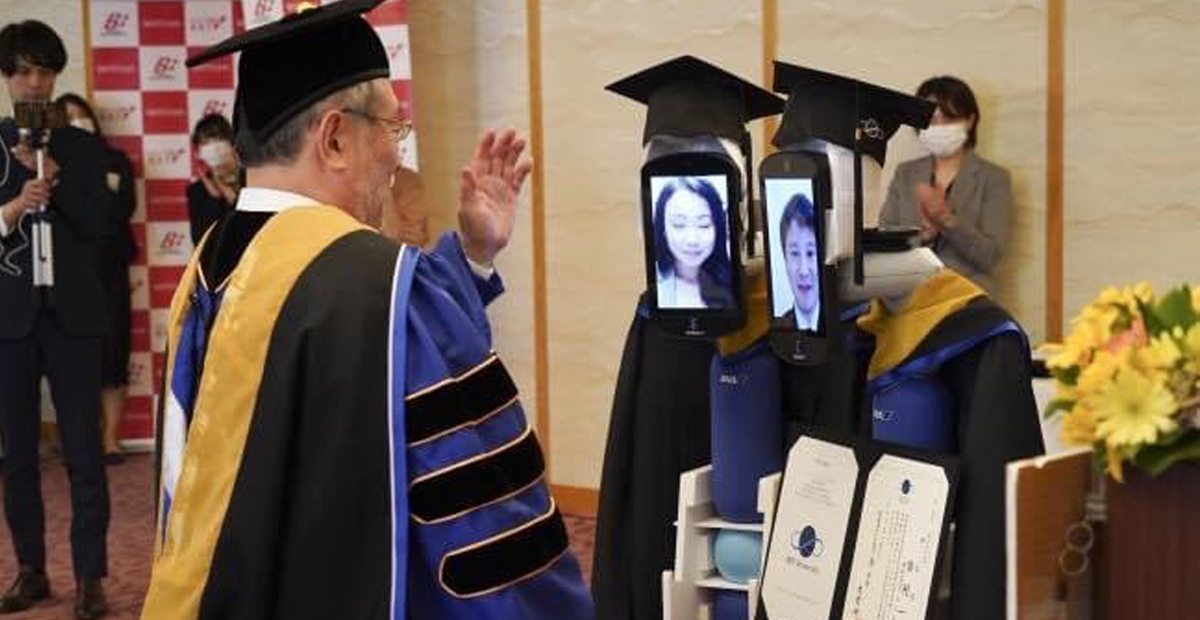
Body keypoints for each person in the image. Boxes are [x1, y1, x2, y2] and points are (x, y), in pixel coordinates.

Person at [140, 2, 593, 619]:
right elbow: (482, 519)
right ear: (334, 138)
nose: (396, 157)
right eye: (393, 129)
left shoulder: (208, 266)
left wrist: (474, 254)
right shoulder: (373, 283)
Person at [0, 20, 110, 619]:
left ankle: (90, 577)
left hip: (74, 317)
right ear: (7, 76)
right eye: (23, 71)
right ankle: (31, 571)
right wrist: (14, 206)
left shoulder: (82, 146)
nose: (35, 83)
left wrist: (53, 181)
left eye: (44, 71)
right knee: (17, 455)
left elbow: (99, 226)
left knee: (84, 453)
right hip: (11, 320)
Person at [57, 92, 137, 465]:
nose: (78, 122)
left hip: (111, 266)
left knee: (114, 349)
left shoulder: (116, 160)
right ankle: (79, 440)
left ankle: (110, 439)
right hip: (69, 269)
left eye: (82, 116)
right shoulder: (50, 164)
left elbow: (121, 208)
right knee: (73, 356)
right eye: (68, 117)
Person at [879, 75, 1013, 295]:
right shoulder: (906, 174)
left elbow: (990, 257)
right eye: (931, 120)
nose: (939, 127)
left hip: (967, 303)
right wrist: (923, 236)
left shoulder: (994, 178)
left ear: (970, 120)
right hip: (907, 300)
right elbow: (884, 244)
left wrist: (947, 220)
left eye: (949, 119)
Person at [653, 176, 733, 309]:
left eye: (704, 224)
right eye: (679, 225)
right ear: (663, 228)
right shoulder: (655, 289)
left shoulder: (732, 281)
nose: (692, 240)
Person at [185, 113, 240, 245]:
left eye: (218, 139)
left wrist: (235, 201)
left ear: (232, 142)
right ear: (199, 152)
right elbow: (200, 240)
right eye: (205, 143)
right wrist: (215, 201)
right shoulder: (197, 190)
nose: (213, 147)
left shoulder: (254, 180)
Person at [777, 192, 820, 330]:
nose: (803, 271)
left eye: (810, 253)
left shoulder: (847, 325)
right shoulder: (779, 329)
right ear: (785, 259)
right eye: (795, 254)